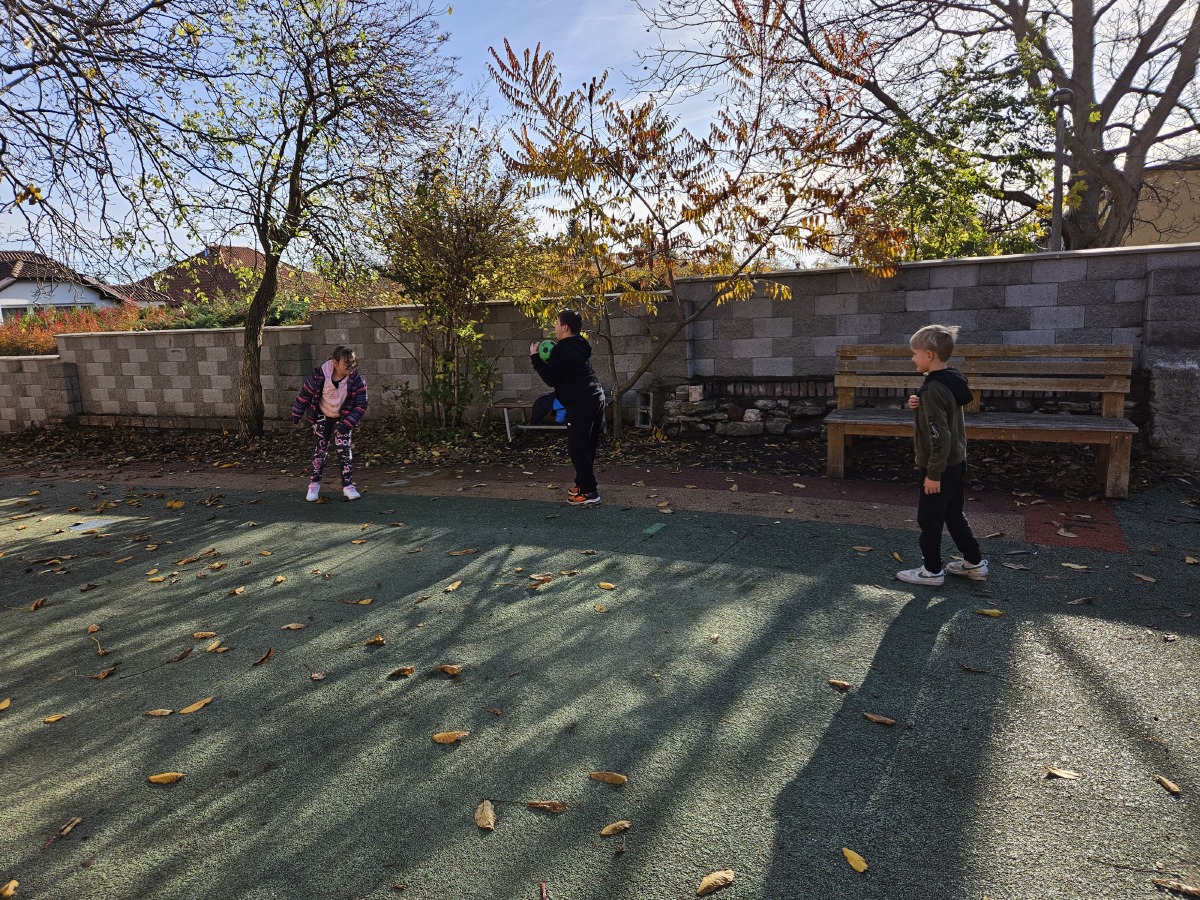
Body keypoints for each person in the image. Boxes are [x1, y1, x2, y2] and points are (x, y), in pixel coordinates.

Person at [896, 324, 989, 586]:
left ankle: (932, 570)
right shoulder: (950, 379)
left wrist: (934, 474)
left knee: (929, 518)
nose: (912, 359)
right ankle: (974, 562)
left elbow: (940, 434)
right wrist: (919, 402)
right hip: (956, 461)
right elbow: (943, 413)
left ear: (928, 355)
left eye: (914, 354)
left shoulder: (933, 389)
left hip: (939, 466)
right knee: (953, 514)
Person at [530, 309, 606, 506]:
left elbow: (551, 379)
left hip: (582, 403)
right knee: (586, 445)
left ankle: (589, 492)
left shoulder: (561, 349)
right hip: (596, 397)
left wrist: (535, 358)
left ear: (564, 327)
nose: (555, 327)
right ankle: (582, 484)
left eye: (556, 323)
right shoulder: (581, 343)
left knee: (578, 448)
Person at [291, 345, 368, 502]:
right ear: (335, 363)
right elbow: (304, 395)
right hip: (322, 416)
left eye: (354, 362)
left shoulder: (357, 380)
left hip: (343, 418)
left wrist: (347, 424)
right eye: (347, 363)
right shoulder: (319, 377)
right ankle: (314, 485)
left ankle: (348, 486)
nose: (352, 366)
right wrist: (297, 414)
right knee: (319, 451)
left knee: (344, 451)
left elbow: (361, 405)